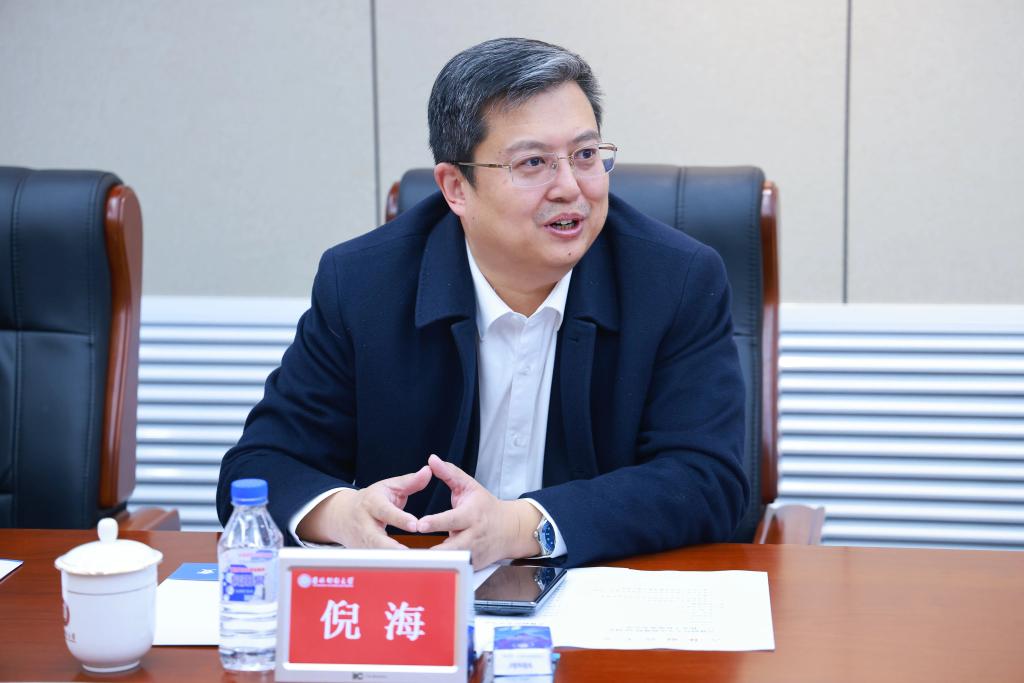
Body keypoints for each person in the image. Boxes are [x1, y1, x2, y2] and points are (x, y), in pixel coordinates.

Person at [217, 37, 749, 569]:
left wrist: (525, 526)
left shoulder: (676, 280)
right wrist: (342, 514)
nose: (570, 188)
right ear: (456, 188)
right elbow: (260, 465)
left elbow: (708, 479)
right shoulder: (363, 283)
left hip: (601, 587)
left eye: (586, 155)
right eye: (534, 162)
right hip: (419, 591)